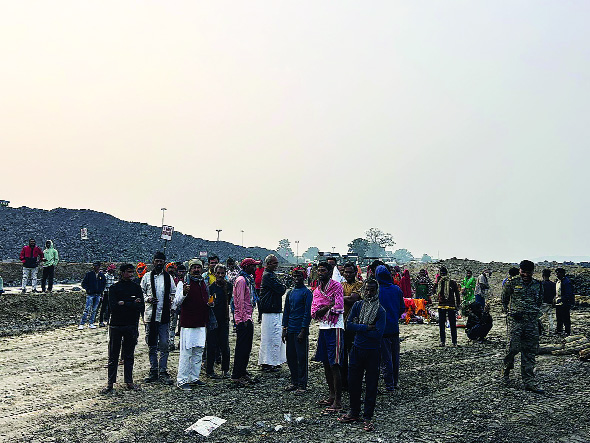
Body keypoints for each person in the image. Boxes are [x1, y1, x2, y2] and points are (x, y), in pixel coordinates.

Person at [338, 277, 386, 432]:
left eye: (372, 289)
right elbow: (348, 325)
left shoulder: (380, 310)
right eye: (367, 289)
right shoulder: (358, 305)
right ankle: (354, 411)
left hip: (372, 352)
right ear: (363, 289)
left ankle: (368, 416)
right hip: (357, 349)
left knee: (371, 385)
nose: (369, 292)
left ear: (376, 291)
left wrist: (359, 327)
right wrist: (366, 327)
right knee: (354, 382)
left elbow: (378, 334)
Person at [501, 260, 544, 393]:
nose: (525, 274)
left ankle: (529, 381)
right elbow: (504, 299)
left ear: (532, 272)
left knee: (530, 351)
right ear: (519, 270)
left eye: (528, 272)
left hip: (531, 322)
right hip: (516, 322)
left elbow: (539, 301)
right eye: (523, 272)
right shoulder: (511, 282)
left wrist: (534, 316)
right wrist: (510, 313)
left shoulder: (538, 285)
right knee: (512, 348)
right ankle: (506, 371)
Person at [101, 264, 144, 394]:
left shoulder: (136, 287)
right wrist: (131, 303)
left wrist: (124, 303)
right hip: (116, 325)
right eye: (129, 272)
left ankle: (129, 381)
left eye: (132, 272)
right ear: (122, 272)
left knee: (129, 355)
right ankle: (110, 383)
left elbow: (140, 305)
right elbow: (113, 306)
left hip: (131, 325)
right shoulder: (114, 288)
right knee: (113, 355)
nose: (131, 274)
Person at [311, 261, 345, 413]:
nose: (320, 273)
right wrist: (328, 305)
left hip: (335, 327)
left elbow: (339, 306)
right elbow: (314, 311)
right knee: (325, 362)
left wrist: (324, 308)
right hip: (323, 327)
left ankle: (338, 400)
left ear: (330, 272)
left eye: (323, 270)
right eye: (318, 270)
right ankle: (331, 395)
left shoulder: (337, 286)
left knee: (335, 364)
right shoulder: (317, 290)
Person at [172, 258, 211, 390]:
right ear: (190, 269)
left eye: (198, 267)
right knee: (186, 353)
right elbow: (176, 303)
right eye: (193, 267)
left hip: (201, 323)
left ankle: (194, 378)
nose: (196, 270)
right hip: (188, 324)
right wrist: (184, 293)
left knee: (198, 351)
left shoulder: (203, 283)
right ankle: (182, 381)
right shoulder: (183, 283)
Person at [141, 251, 176, 385]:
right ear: (153, 261)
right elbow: (142, 291)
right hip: (151, 316)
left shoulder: (168, 278)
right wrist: (148, 299)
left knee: (164, 344)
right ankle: (153, 370)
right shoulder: (146, 277)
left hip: (164, 316)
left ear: (164, 262)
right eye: (157, 260)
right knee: (152, 344)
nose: (159, 263)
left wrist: (170, 302)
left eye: (161, 261)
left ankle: (163, 370)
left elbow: (173, 293)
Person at [282, 267, 312, 394]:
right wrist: (284, 328)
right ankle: (294, 381)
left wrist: (303, 330)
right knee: (291, 356)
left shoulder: (307, 293)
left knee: (301, 357)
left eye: (299, 276)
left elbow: (308, 313)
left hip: (300, 329)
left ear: (303, 277)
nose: (296, 279)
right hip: (291, 328)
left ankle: (302, 384)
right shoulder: (290, 293)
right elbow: (287, 311)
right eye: (294, 276)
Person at [231, 258, 260, 386]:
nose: (255, 269)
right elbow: (240, 301)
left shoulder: (247, 280)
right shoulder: (242, 281)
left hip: (248, 317)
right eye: (253, 266)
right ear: (247, 267)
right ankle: (237, 374)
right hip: (243, 319)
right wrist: (243, 319)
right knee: (241, 348)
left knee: (247, 347)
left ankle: (242, 371)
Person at [375, 265, 404, 391]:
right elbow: (402, 308)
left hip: (382, 330)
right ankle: (395, 382)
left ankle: (389, 384)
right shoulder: (396, 289)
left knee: (385, 358)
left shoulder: (375, 291)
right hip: (394, 327)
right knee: (394, 357)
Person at [258, 254, 287, 372]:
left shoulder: (270, 275)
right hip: (270, 310)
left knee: (275, 337)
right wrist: (283, 286)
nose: (276, 265)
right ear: (268, 263)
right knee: (270, 338)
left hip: (273, 310)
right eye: (274, 263)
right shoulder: (268, 276)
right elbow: (281, 289)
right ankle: (268, 362)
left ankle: (274, 361)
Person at [206, 263, 232, 379]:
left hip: (224, 320)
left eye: (222, 273)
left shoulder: (229, 286)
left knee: (225, 346)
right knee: (211, 346)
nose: (220, 275)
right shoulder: (211, 288)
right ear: (215, 274)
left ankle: (225, 370)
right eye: (218, 273)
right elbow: (209, 304)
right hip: (213, 321)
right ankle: (209, 370)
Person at [340, 262, 363, 390]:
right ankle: (344, 382)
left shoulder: (359, 285)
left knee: (354, 355)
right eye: (346, 272)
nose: (348, 274)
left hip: (354, 324)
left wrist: (338, 297)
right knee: (342, 355)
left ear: (355, 273)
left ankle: (354, 381)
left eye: (350, 272)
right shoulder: (341, 285)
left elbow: (353, 299)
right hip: (341, 324)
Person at [434, 266, 461, 347]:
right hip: (448, 306)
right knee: (451, 324)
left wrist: (437, 282)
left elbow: (433, 291)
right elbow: (457, 294)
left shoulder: (448, 282)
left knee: (443, 324)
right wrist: (458, 304)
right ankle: (454, 342)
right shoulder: (446, 282)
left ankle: (444, 342)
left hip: (446, 306)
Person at [78, 261, 107, 329]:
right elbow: (84, 283)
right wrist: (88, 289)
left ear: (99, 267)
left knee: (94, 310)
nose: (94, 267)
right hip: (90, 294)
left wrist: (101, 292)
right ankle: (82, 323)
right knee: (87, 309)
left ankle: (91, 323)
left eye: (96, 266)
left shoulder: (102, 276)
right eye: (94, 266)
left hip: (98, 294)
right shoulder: (89, 274)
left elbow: (103, 284)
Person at [169, 264, 187, 350]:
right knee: (173, 324)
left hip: (184, 305)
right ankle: (171, 342)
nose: (181, 273)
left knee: (182, 325)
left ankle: (181, 342)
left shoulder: (187, 281)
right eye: (180, 271)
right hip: (175, 305)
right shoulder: (173, 281)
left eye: (183, 271)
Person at [555, 268, 574, 336]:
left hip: (565, 303)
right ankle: (559, 330)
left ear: (562, 273)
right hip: (558, 302)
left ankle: (567, 331)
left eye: (558, 273)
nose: (557, 275)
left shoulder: (566, 282)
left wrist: (562, 299)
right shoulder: (558, 281)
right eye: (556, 273)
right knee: (559, 317)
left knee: (565, 318)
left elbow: (569, 293)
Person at [539, 269, 556, 334]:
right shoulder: (553, 284)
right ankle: (551, 330)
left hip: (542, 302)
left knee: (540, 317)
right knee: (550, 316)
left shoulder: (541, 284)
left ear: (542, 275)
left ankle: (541, 330)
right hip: (550, 302)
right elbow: (555, 294)